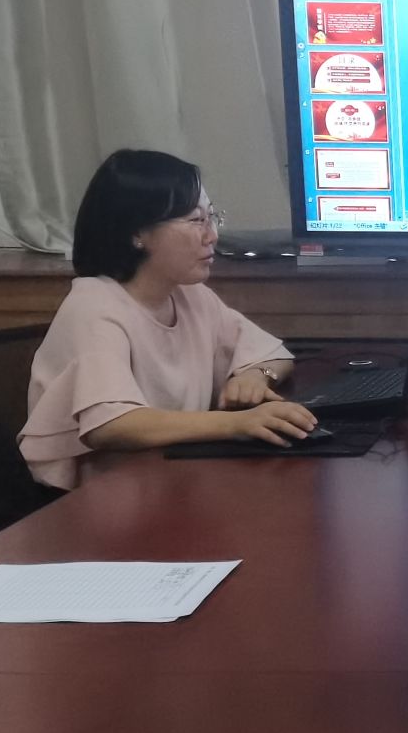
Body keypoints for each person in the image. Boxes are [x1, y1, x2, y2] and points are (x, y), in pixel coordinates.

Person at [20, 150, 316, 488]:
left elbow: (275, 355)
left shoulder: (190, 295)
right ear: (137, 232)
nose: (212, 236)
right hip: (106, 498)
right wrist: (238, 423)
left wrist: (255, 376)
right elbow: (111, 425)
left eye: (212, 217)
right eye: (196, 220)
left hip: (175, 480)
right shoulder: (94, 305)